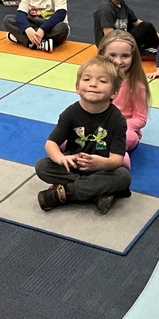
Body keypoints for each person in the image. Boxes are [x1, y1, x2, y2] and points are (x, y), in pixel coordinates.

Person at [35, 55, 132, 216]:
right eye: (87, 79)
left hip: (101, 169)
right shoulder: (71, 113)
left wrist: (101, 163)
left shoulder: (117, 119)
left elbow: (117, 159)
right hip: (74, 166)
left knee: (123, 176)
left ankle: (65, 193)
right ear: (77, 87)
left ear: (114, 92)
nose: (93, 84)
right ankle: (96, 193)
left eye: (102, 81)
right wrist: (61, 158)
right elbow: (51, 144)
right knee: (42, 166)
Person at [98, 30, 151, 151]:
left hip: (122, 129)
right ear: (102, 54)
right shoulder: (95, 80)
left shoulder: (136, 86)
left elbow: (141, 119)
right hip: (97, 126)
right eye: (112, 55)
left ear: (133, 57)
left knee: (129, 138)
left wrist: (119, 126)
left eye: (125, 56)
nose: (118, 61)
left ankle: (103, 152)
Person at [93, 0, 159, 55]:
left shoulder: (122, 5)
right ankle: (147, 50)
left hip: (122, 38)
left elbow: (138, 23)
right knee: (146, 27)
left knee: (147, 26)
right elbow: (109, 36)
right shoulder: (106, 9)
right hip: (111, 46)